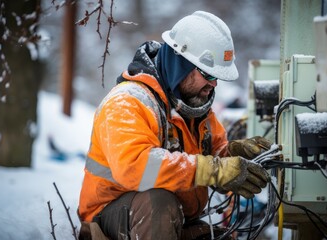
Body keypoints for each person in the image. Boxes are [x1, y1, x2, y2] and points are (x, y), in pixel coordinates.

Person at [78, 11, 271, 240]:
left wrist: (232, 155)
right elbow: (136, 168)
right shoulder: (127, 102)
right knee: (158, 201)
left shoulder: (193, 106)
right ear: (181, 63)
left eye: (217, 76)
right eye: (208, 73)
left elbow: (214, 152)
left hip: (174, 219)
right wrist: (212, 170)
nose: (214, 83)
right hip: (111, 219)